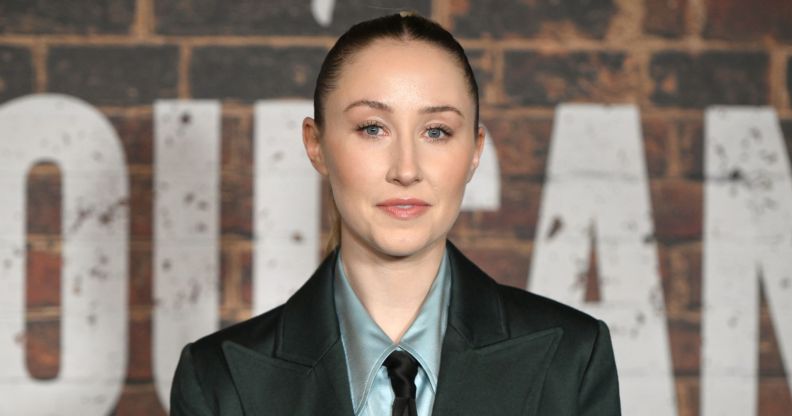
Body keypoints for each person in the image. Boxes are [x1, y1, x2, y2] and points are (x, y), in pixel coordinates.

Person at [170, 12, 620, 416]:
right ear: (316, 144)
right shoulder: (217, 381)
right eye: (372, 128)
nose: (406, 170)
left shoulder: (573, 359)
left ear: (475, 151)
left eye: (436, 131)